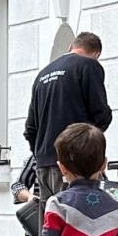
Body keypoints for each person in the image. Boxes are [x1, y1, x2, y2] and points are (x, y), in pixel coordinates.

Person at [23, 31, 112, 203]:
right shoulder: (89, 66)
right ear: (96, 54)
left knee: (50, 223)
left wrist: (43, 154)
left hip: (44, 165)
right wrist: (89, 147)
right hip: (75, 164)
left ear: (70, 47)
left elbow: (31, 128)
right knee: (75, 221)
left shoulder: (42, 75)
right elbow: (100, 113)